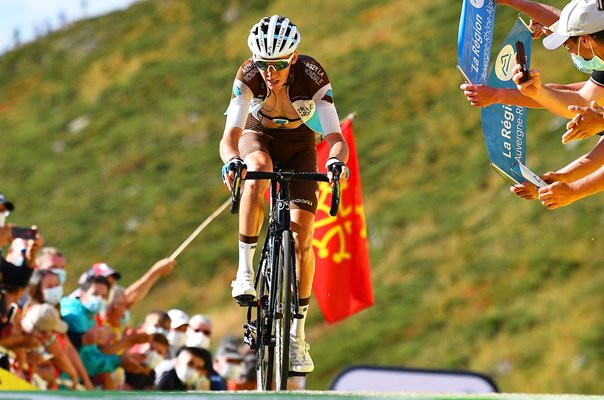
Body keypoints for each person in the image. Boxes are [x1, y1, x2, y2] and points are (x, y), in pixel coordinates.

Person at [219, 15, 349, 374]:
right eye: (263, 64)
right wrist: (232, 161)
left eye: (277, 65)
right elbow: (230, 137)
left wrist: (336, 164)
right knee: (255, 168)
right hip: (258, 137)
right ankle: (244, 271)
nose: (269, 72)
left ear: (292, 58)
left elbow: (335, 139)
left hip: (301, 146)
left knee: (301, 237)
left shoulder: (312, 76)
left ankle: (296, 335)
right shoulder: (247, 76)